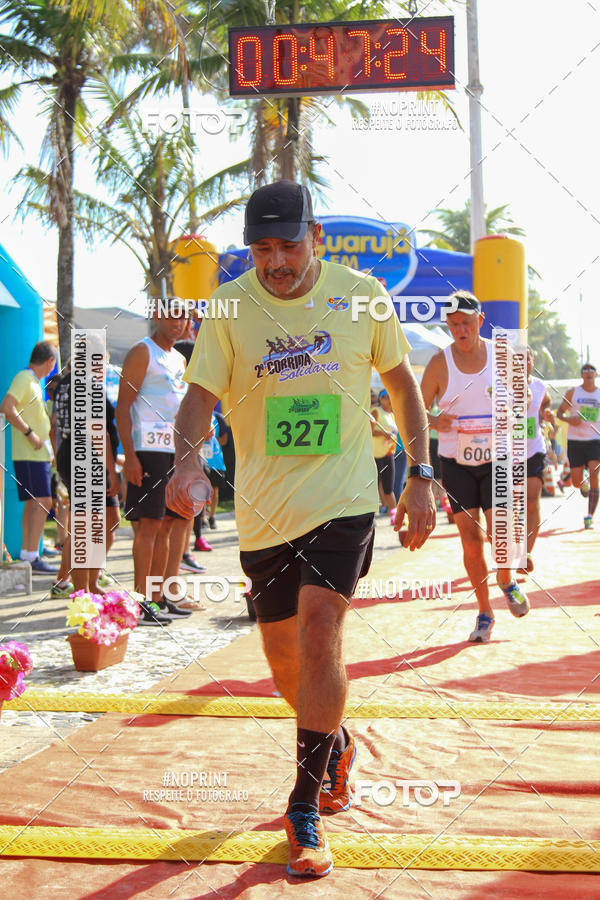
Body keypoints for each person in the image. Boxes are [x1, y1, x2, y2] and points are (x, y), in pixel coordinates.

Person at [166, 180, 435, 879]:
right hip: (261, 509)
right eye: (262, 249)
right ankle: (333, 741)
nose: (276, 261)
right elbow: (199, 398)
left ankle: (303, 805)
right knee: (286, 662)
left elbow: (403, 387)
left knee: (322, 631)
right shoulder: (229, 306)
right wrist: (187, 460)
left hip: (342, 499)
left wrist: (421, 475)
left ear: (316, 237)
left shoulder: (363, 295)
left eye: (289, 245)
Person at [420, 290, 530, 644]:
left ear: (480, 321)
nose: (460, 331)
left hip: (497, 458)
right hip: (457, 463)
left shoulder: (502, 356)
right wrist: (436, 422)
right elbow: (414, 411)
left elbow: (523, 397)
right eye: (453, 325)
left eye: (466, 323)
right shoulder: (440, 363)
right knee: (470, 540)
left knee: (500, 534)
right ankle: (484, 610)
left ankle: (506, 579)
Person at [116, 300, 195, 624]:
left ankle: (159, 598)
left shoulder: (178, 357)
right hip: (147, 450)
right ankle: (140, 600)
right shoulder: (142, 351)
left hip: (175, 451)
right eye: (173, 316)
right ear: (158, 316)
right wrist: (130, 456)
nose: (179, 323)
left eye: (185, 318)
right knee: (149, 526)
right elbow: (122, 407)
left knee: (171, 524)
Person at [50, 366, 121, 595]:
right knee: (86, 527)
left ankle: (87, 584)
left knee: (97, 524)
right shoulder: (86, 384)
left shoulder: (64, 384)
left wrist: (57, 455)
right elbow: (97, 431)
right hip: (86, 455)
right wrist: (111, 470)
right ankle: (80, 590)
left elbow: (54, 426)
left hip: (72, 453)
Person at [0, 341, 59, 574]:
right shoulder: (25, 378)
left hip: (37, 453)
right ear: (50, 361)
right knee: (43, 502)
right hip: (30, 452)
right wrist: (30, 433)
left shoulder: (33, 380)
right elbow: (7, 406)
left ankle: (28, 555)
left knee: (34, 503)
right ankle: (32, 556)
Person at [557, 362, 600, 528]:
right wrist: (569, 420)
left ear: (596, 375)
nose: (589, 372)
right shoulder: (573, 392)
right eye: (585, 370)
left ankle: (589, 516)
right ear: (582, 375)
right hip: (575, 440)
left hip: (595, 440)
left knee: (594, 472)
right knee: (576, 482)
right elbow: (560, 413)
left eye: (592, 370)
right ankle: (583, 486)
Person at [523, 347, 553, 571]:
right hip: (505, 453)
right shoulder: (499, 385)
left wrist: (547, 415)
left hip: (534, 450)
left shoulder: (540, 386)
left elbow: (546, 404)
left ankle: (527, 553)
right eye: (518, 359)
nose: (523, 363)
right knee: (511, 507)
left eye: (527, 359)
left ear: (532, 361)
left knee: (532, 501)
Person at [371, 389, 398, 517]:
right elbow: (368, 431)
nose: (389, 399)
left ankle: (394, 516)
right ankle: (370, 518)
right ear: (381, 399)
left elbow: (393, 434)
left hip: (388, 453)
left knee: (388, 488)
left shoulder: (391, 415)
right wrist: (383, 433)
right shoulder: (376, 412)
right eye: (386, 397)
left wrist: (392, 439)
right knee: (372, 487)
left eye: (390, 396)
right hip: (375, 456)